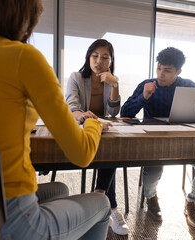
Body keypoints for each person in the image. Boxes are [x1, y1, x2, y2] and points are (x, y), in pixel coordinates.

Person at [0, 1, 112, 239]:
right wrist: (94, 123)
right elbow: (82, 153)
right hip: (4, 221)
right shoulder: (21, 57)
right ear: (20, 13)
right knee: (102, 202)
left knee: (61, 189)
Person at [120, 47, 195, 228]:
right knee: (153, 171)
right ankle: (151, 198)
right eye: (159, 68)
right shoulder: (147, 84)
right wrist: (143, 97)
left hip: (187, 142)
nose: (161, 74)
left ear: (178, 71)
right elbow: (125, 113)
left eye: (167, 70)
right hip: (157, 144)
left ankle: (191, 203)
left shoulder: (188, 85)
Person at [65, 39, 129, 235]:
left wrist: (115, 84)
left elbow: (113, 111)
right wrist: (82, 116)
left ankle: (100, 199)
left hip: (104, 128)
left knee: (113, 147)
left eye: (104, 57)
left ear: (110, 60)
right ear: (88, 57)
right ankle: (108, 204)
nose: (99, 61)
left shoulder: (110, 79)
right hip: (82, 128)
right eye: (95, 56)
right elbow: (72, 106)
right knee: (110, 151)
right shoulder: (76, 77)